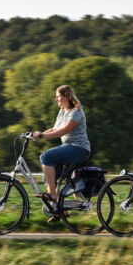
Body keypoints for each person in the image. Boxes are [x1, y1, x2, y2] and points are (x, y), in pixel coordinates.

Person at [32, 85, 91, 222]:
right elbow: (54, 128)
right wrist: (37, 134)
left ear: (67, 97)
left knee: (45, 157)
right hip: (69, 147)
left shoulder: (76, 111)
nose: (56, 99)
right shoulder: (62, 111)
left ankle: (52, 194)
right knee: (49, 176)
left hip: (79, 149)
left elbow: (64, 130)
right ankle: (60, 210)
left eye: (58, 96)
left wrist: (42, 136)